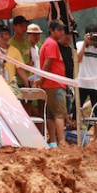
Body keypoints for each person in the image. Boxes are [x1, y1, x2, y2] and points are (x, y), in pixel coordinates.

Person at [35, 20, 67, 148]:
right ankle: (62, 141)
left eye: (62, 30)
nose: (62, 32)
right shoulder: (52, 44)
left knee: (51, 115)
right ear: (52, 30)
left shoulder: (48, 43)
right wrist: (42, 80)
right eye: (59, 30)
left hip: (50, 84)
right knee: (59, 114)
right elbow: (47, 63)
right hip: (54, 83)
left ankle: (53, 141)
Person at [5, 16, 31, 87]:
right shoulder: (10, 44)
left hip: (29, 77)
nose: (24, 28)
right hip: (17, 81)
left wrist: (30, 64)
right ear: (14, 27)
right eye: (21, 25)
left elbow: (29, 57)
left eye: (26, 25)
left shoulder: (27, 42)